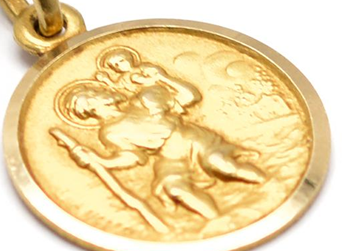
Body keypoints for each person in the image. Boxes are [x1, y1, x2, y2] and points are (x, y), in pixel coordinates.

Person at [58, 77, 266, 219]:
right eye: (94, 97)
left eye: (97, 92)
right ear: (90, 109)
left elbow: (190, 96)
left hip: (191, 140)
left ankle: (267, 185)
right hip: (169, 158)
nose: (102, 94)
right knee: (176, 189)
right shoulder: (110, 132)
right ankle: (217, 222)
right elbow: (132, 157)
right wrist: (101, 161)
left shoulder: (140, 102)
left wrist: (162, 77)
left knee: (223, 166)